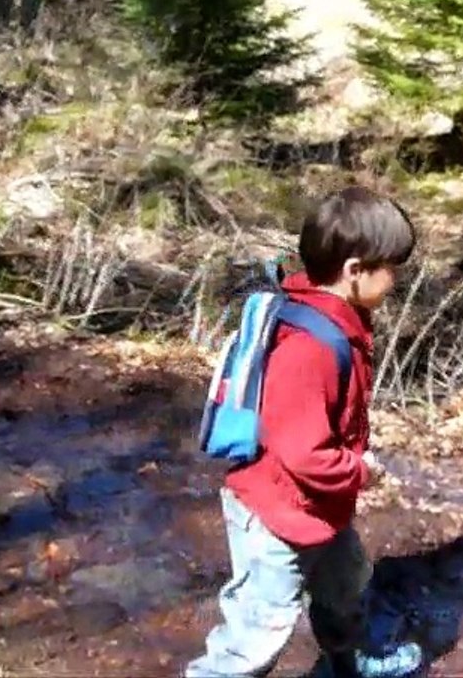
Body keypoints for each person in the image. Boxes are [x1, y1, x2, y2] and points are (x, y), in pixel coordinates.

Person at [185, 186, 423, 678]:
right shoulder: (311, 346)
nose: (396, 280)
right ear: (355, 271)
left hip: (317, 507)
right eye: (391, 269)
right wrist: (359, 470)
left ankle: (347, 662)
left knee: (347, 586)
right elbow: (304, 454)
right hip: (276, 514)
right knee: (260, 630)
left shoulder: (335, 317)